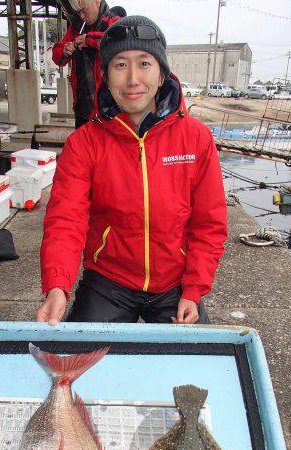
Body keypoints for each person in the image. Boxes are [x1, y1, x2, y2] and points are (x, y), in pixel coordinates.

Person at [37, 15, 227, 326]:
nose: (133, 79)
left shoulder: (196, 138)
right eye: (120, 65)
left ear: (162, 72)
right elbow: (65, 220)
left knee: (193, 369)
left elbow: (209, 223)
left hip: (174, 284)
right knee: (73, 364)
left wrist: (193, 289)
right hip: (108, 280)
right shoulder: (83, 143)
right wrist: (58, 286)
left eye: (144, 63)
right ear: (106, 75)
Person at [52, 0, 119, 129]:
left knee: (108, 147)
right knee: (82, 148)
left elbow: (120, 44)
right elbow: (57, 57)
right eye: (79, 12)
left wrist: (90, 40)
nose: (82, 16)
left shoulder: (114, 22)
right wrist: (65, 51)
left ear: (97, 2)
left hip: (110, 109)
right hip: (83, 109)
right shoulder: (76, 27)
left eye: (84, 10)